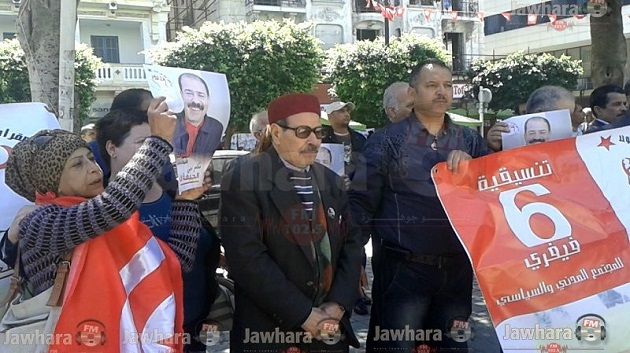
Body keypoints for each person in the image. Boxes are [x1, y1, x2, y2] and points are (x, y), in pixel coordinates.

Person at [3, 99, 199, 352]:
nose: (94, 169)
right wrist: (158, 142)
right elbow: (111, 207)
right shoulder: (41, 221)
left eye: (90, 158)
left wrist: (186, 201)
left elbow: (175, 261)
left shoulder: (116, 224)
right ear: (48, 181)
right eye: (77, 165)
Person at [350, 60, 488, 353]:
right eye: (432, 85)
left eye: (447, 85)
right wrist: (349, 266)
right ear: (413, 93)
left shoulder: (470, 140)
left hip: (456, 270)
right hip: (402, 271)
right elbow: (360, 204)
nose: (442, 92)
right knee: (395, 346)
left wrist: (478, 166)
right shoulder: (385, 142)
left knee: (452, 346)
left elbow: (493, 193)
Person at [220, 93, 363, 353]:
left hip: (329, 330)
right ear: (275, 132)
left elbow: (352, 246)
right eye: (302, 132)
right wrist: (305, 315)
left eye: (318, 132)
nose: (313, 141)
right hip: (270, 334)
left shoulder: (330, 181)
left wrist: (338, 305)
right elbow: (247, 258)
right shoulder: (244, 178)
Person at [96, 108, 220, 353]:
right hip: (145, 338)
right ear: (112, 148)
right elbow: (171, 264)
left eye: (163, 141)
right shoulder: (101, 210)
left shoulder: (177, 192)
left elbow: (203, 255)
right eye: (146, 142)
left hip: (195, 328)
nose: (159, 150)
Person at [487, 86, 579, 151]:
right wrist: (494, 148)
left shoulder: (578, 145)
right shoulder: (504, 141)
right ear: (539, 113)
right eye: (565, 117)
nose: (571, 125)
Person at [173, 73, 224, 157]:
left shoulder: (216, 127)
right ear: (181, 95)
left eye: (201, 95)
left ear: (208, 99)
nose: (195, 101)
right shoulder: (169, 123)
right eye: (189, 93)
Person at [322, 101, 367, 179]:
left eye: (347, 111)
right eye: (341, 111)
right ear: (330, 116)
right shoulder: (323, 139)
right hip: (331, 186)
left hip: (356, 186)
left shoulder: (360, 138)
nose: (346, 114)